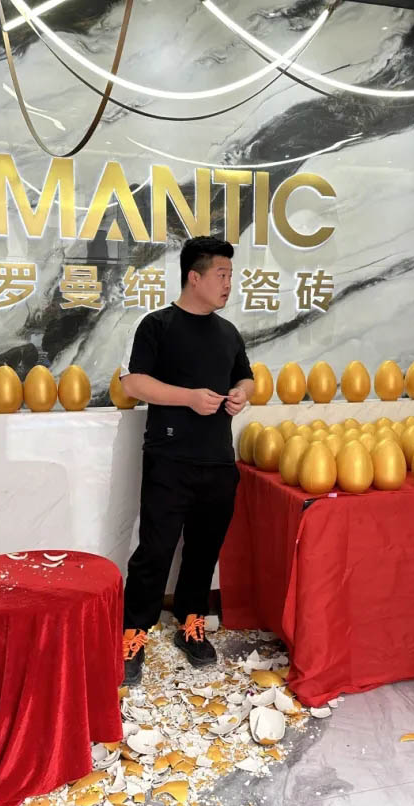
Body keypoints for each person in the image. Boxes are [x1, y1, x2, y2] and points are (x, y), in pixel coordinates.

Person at [118, 235, 255, 686]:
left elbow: (246, 377)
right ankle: (133, 631)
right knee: (155, 550)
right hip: (169, 457)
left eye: (231, 275)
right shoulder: (157, 326)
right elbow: (133, 383)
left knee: (204, 548)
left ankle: (191, 622)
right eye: (221, 274)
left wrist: (241, 394)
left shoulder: (227, 332)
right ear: (194, 277)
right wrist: (189, 398)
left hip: (218, 460)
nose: (228, 284)